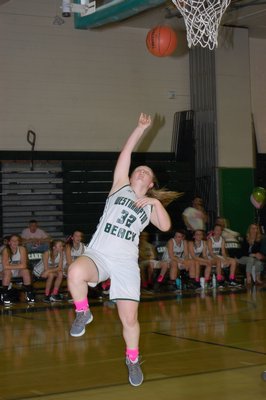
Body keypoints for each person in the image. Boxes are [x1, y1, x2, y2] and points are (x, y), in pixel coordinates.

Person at [67, 113, 180, 387]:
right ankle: (83, 311)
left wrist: (155, 204)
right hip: (100, 254)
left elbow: (165, 227)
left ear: (151, 183)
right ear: (130, 175)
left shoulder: (149, 204)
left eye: (146, 171)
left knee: (129, 319)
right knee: (74, 271)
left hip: (126, 262)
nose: (141, 171)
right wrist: (140, 129)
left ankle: (132, 359)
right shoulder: (120, 187)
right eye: (138, 169)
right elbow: (127, 152)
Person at [1, 234, 35, 305]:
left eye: (17, 240)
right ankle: (4, 295)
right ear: (9, 242)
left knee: (26, 271)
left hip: (16, 271)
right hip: (4, 272)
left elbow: (24, 265)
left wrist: (11, 266)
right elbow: (5, 267)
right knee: (7, 272)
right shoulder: (5, 250)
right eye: (13, 240)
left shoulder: (22, 249)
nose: (15, 242)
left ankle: (29, 294)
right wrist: (19, 265)